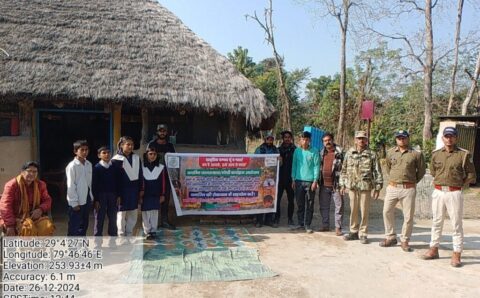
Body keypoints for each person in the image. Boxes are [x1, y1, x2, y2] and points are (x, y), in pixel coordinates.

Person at [422, 127, 476, 267]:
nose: (449, 139)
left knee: (456, 224)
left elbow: (471, 174)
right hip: (439, 192)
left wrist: (459, 186)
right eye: (446, 136)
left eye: (451, 136)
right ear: (443, 138)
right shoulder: (436, 154)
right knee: (436, 222)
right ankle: (433, 249)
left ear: (456, 138)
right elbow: (434, 171)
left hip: (454, 193)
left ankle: (456, 253)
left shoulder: (463, 155)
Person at [380, 130, 426, 252]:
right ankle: (390, 237)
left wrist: (412, 181)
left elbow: (421, 171)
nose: (401, 140)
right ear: (396, 139)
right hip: (392, 187)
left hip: (408, 189)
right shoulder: (390, 153)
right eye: (399, 138)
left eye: (403, 138)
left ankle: (405, 240)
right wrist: (394, 180)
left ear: (408, 138)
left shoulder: (416, 154)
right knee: (386, 212)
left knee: (408, 217)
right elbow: (388, 168)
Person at [340, 131, 383, 244]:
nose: (361, 141)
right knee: (353, 209)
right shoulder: (349, 153)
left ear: (366, 140)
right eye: (359, 138)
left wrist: (378, 187)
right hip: (352, 186)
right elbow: (343, 169)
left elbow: (377, 171)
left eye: (363, 138)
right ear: (355, 140)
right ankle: (353, 231)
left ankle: (363, 233)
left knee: (364, 210)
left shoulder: (372, 154)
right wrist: (342, 184)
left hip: (365, 186)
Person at [0, 161, 52, 236]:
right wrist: (10, 226)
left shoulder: (40, 185)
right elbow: (5, 206)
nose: (32, 174)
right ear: (22, 172)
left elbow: (47, 200)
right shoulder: (12, 185)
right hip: (14, 218)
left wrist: (41, 209)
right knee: (28, 229)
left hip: (33, 217)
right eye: (29, 171)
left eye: (35, 172)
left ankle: (39, 247)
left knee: (47, 227)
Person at [112, 136, 143, 237]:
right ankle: (121, 234)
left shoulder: (136, 158)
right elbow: (115, 179)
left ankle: (129, 233)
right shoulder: (116, 160)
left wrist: (141, 189)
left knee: (133, 212)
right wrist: (117, 194)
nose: (130, 146)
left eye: (132, 145)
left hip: (134, 190)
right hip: (122, 191)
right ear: (121, 145)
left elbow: (140, 174)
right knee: (121, 214)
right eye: (128, 144)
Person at [148, 124, 176, 230]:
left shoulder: (170, 145)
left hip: (167, 175)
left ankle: (164, 221)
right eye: (160, 131)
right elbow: (147, 158)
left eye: (164, 131)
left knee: (166, 198)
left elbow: (174, 160)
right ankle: (151, 222)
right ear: (157, 132)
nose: (162, 133)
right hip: (153, 175)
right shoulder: (151, 144)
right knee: (152, 197)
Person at [291, 131, 320, 233]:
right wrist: (293, 179)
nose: (305, 141)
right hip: (298, 181)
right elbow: (294, 165)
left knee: (310, 204)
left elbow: (317, 166)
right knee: (300, 204)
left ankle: (307, 224)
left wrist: (315, 180)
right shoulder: (297, 151)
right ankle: (300, 224)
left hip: (310, 182)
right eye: (303, 139)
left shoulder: (314, 151)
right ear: (300, 140)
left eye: (307, 139)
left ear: (310, 140)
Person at [318, 132, 344, 236]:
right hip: (324, 184)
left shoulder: (340, 153)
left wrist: (343, 184)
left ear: (332, 140)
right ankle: (325, 225)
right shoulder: (321, 153)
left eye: (329, 140)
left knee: (339, 206)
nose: (327, 142)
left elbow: (345, 169)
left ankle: (338, 228)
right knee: (324, 206)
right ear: (323, 143)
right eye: (325, 141)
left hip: (336, 185)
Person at [66, 140, 93, 236]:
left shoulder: (89, 164)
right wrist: (74, 202)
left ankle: (82, 246)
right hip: (76, 201)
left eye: (86, 150)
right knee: (74, 226)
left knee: (84, 225)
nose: (85, 152)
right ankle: (72, 249)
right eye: (82, 150)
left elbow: (89, 183)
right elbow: (70, 185)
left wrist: (91, 197)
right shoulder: (72, 166)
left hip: (86, 199)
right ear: (75, 151)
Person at [254, 133, 280, 228]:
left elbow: (280, 163)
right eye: (268, 139)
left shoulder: (275, 149)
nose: (270, 141)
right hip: (261, 177)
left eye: (271, 139)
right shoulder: (259, 149)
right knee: (261, 198)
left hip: (272, 178)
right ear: (265, 139)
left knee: (271, 198)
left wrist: (279, 160)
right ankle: (259, 220)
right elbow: (255, 161)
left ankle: (269, 220)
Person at [141, 146, 166, 240]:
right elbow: (141, 181)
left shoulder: (160, 167)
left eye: (154, 154)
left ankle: (153, 231)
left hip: (156, 194)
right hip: (145, 194)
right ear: (146, 155)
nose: (152, 156)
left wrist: (162, 194)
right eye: (150, 154)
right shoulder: (142, 167)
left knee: (154, 212)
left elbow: (163, 182)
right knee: (146, 212)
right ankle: (147, 231)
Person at [92, 146, 118, 237]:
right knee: (99, 218)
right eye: (104, 153)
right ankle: (97, 242)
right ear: (99, 155)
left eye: (108, 152)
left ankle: (113, 241)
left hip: (112, 195)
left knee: (113, 218)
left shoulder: (114, 166)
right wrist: (96, 200)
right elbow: (94, 185)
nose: (107, 154)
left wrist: (118, 195)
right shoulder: (96, 168)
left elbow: (117, 182)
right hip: (101, 196)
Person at [277, 130, 296, 226]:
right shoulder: (278, 150)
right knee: (277, 200)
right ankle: (277, 219)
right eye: (285, 137)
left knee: (291, 200)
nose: (287, 139)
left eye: (289, 137)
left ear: (291, 138)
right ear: (283, 139)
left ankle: (290, 219)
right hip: (280, 179)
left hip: (291, 179)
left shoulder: (295, 150)